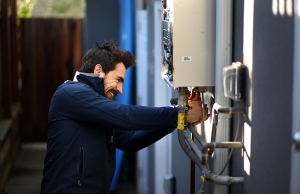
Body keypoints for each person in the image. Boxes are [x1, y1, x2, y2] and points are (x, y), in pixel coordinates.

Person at [41, 40, 209, 194]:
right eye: (118, 79)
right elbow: (125, 115)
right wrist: (180, 112)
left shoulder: (96, 109)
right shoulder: (70, 93)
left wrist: (179, 119)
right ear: (99, 70)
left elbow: (130, 141)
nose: (120, 89)